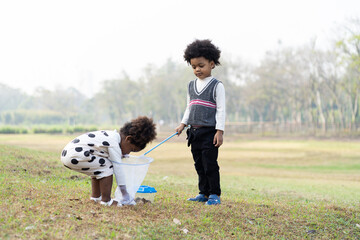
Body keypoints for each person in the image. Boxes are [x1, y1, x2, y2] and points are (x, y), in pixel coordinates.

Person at [60, 116, 156, 206]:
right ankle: (106, 201)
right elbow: (118, 169)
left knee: (99, 166)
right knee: (107, 166)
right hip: (75, 155)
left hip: (69, 154)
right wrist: (124, 192)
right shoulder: (113, 144)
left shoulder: (113, 136)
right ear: (128, 139)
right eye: (131, 150)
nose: (128, 153)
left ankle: (96, 197)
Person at [175, 39, 225, 206]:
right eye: (194, 66)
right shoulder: (191, 85)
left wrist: (220, 131)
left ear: (212, 64)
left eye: (201, 65)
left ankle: (214, 194)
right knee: (198, 164)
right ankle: (203, 192)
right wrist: (183, 124)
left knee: (210, 163)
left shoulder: (217, 86)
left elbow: (221, 110)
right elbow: (189, 108)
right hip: (194, 132)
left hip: (209, 132)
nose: (197, 69)